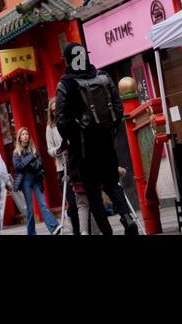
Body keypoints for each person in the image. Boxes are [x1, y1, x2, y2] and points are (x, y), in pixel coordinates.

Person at [54, 43, 140, 235]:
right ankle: (127, 217)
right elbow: (118, 107)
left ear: (68, 61)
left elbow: (61, 120)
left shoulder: (65, 84)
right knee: (112, 184)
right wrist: (110, 129)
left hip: (83, 148)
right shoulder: (103, 77)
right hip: (106, 142)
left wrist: (72, 137)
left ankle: (107, 232)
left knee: (93, 194)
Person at [12, 127, 61, 235]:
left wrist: (38, 167)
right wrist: (30, 158)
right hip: (25, 180)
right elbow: (18, 167)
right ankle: (31, 233)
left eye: (27, 134)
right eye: (23, 134)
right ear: (19, 138)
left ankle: (53, 227)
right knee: (30, 208)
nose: (25, 136)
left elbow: (40, 164)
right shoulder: (16, 152)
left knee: (43, 204)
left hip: (35, 179)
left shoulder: (34, 149)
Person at [46, 98, 81, 234]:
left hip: (76, 164)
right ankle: (76, 230)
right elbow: (50, 148)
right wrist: (58, 150)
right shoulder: (50, 128)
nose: (56, 112)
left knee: (82, 200)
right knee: (72, 202)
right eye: (53, 110)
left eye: (57, 109)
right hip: (63, 167)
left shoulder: (70, 120)